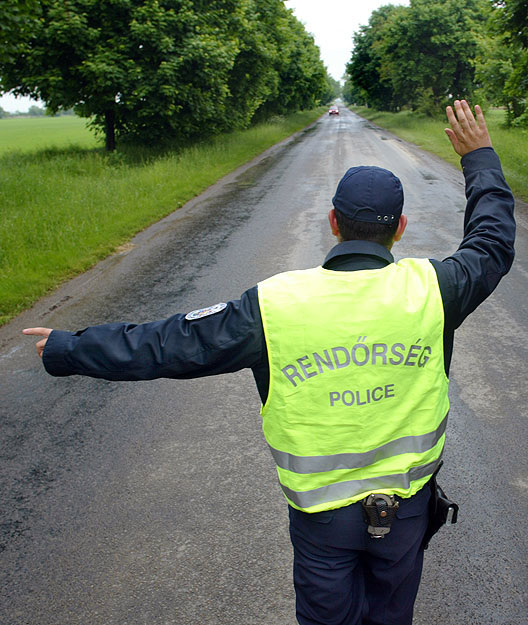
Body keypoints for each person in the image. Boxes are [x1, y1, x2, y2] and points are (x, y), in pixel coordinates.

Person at [24, 100, 515, 625]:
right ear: (400, 229)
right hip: (407, 509)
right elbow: (491, 244)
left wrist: (68, 347)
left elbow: (167, 344)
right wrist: (479, 157)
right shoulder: (434, 290)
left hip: (320, 520)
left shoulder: (274, 303)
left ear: (333, 223)